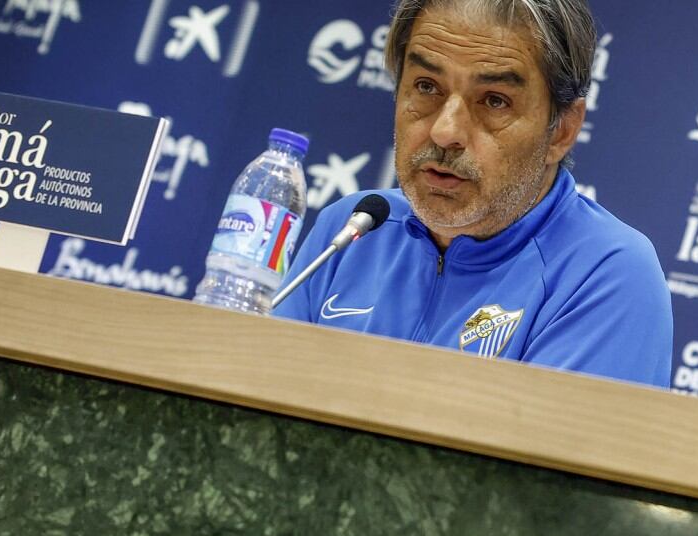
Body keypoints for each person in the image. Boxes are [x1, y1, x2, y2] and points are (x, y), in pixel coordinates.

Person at [272, 0, 673, 390]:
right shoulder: (352, 230)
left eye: (494, 100)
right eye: (426, 86)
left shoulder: (605, 275)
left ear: (562, 131)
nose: (445, 132)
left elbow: (530, 456)